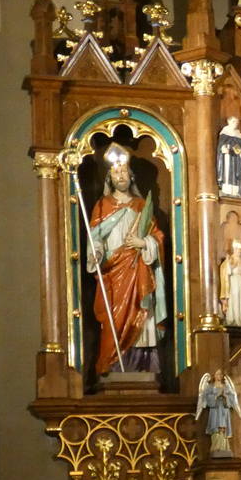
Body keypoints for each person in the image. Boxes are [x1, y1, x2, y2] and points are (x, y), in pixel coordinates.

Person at [86, 142, 168, 375]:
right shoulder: (102, 206)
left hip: (139, 271)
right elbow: (95, 238)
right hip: (113, 272)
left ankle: (143, 366)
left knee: (142, 315)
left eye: (123, 171)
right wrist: (96, 252)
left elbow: (157, 236)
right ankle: (114, 365)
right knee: (114, 319)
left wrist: (145, 243)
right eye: (116, 172)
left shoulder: (141, 206)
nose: (120, 176)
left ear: (130, 176)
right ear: (109, 178)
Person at [216, 116, 241, 197]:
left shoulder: (239, 135)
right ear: (229, 122)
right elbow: (221, 145)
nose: (235, 123)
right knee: (227, 171)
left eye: (237, 122)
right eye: (233, 121)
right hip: (227, 156)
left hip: (237, 158)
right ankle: (226, 189)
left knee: (236, 172)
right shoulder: (224, 133)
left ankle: (237, 191)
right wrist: (223, 148)